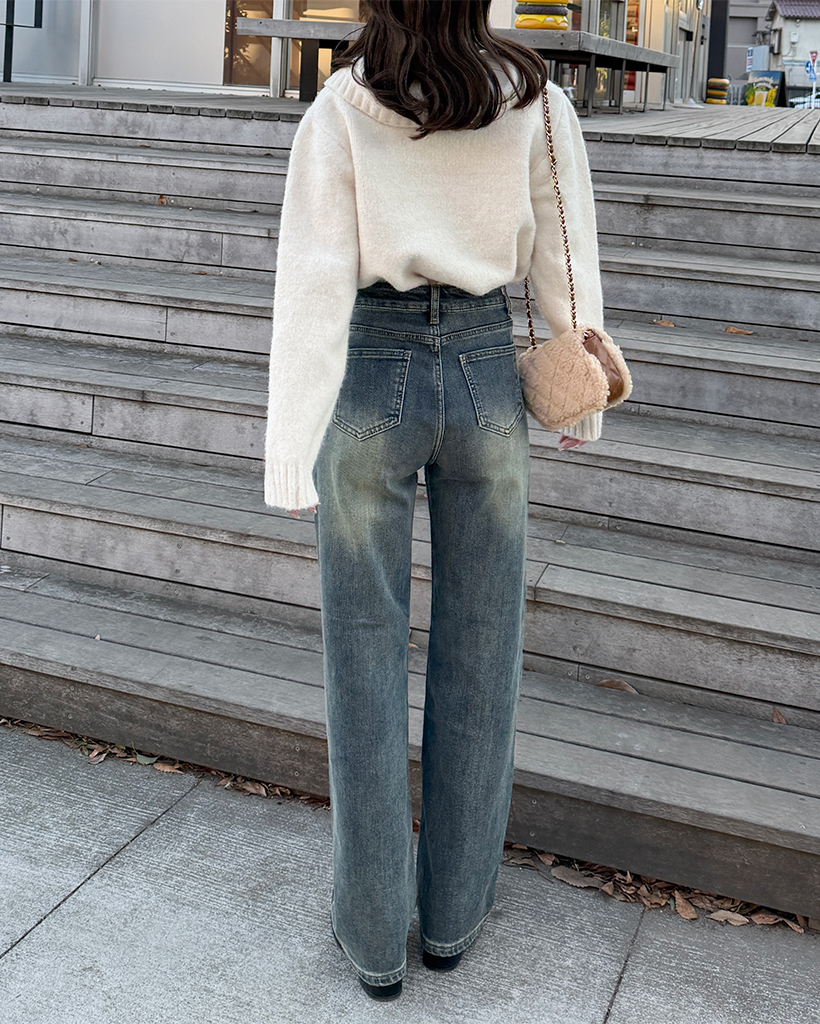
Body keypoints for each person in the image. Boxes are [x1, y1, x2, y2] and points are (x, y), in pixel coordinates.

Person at [263, 0, 605, 1001]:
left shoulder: (343, 104)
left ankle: (374, 934)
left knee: (361, 656)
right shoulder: (533, 99)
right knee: (483, 649)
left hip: (368, 372)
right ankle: (452, 918)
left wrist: (290, 450)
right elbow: (564, 250)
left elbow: (312, 282)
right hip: (484, 375)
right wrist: (582, 394)